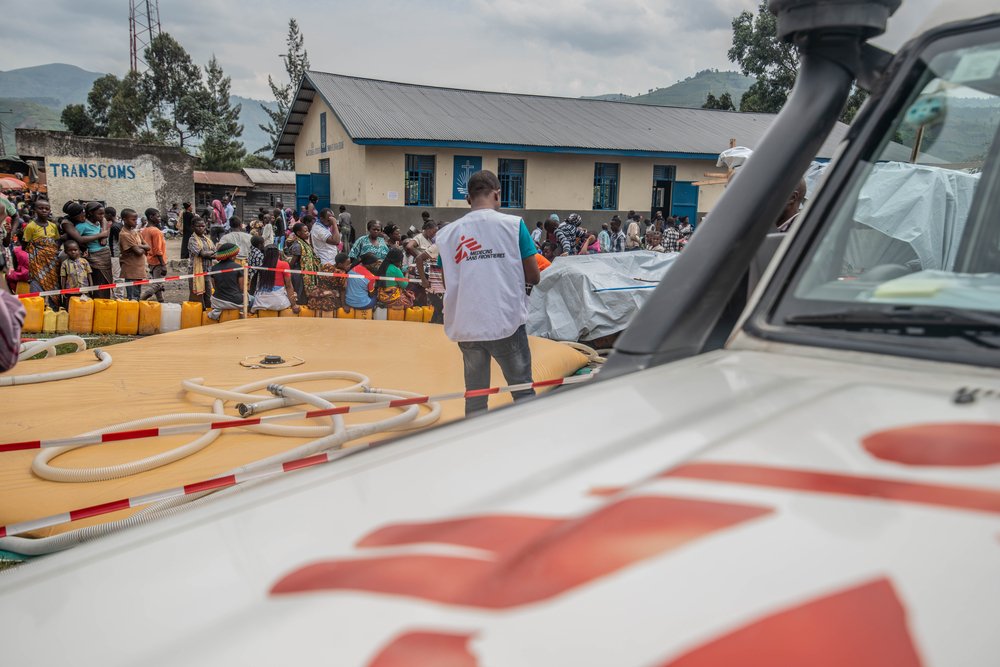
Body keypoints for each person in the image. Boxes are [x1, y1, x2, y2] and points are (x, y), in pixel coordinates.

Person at [434, 170, 540, 416]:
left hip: (467, 325)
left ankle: (474, 445)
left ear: (468, 199)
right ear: (497, 195)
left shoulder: (448, 234)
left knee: (476, 396)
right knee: (522, 391)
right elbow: (533, 275)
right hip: (505, 320)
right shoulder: (513, 226)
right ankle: (532, 443)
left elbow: (445, 278)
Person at [62, 201, 113, 299]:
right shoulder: (78, 225)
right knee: (98, 282)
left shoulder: (98, 222)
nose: (102, 216)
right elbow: (78, 240)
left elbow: (104, 221)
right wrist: (84, 248)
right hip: (94, 257)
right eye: (99, 213)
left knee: (106, 282)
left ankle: (106, 303)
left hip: (105, 256)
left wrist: (104, 235)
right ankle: (99, 305)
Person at [23, 199, 61, 306]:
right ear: (35, 210)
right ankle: (37, 307)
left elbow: (56, 242)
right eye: (41, 208)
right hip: (36, 261)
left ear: (50, 210)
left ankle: (53, 307)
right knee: (37, 282)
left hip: (52, 261)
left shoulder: (53, 226)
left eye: (46, 208)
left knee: (54, 282)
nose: (44, 210)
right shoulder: (30, 226)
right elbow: (25, 244)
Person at [252, 245, 299, 314]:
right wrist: (294, 305)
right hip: (279, 303)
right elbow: (289, 286)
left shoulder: (261, 265)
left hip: (260, 302)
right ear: (278, 253)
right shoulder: (284, 265)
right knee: (293, 294)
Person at [207, 243, 247, 320]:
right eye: (235, 255)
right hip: (235, 301)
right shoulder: (238, 267)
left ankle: (217, 312)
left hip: (217, 301)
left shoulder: (214, 268)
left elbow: (214, 286)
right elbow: (242, 288)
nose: (236, 256)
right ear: (232, 256)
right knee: (251, 299)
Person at [285, 221, 320, 304]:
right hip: (299, 274)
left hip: (305, 273)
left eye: (308, 230)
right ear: (298, 233)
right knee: (300, 293)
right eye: (305, 231)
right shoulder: (298, 246)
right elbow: (293, 262)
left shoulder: (304, 243)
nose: (307, 233)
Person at [118, 208, 149, 300]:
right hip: (131, 270)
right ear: (124, 220)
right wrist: (142, 247)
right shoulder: (124, 234)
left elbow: (148, 247)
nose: (136, 222)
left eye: (136, 219)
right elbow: (139, 252)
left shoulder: (135, 232)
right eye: (133, 220)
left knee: (137, 296)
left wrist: (139, 245)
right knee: (132, 298)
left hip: (138, 270)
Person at [139, 208, 167, 301]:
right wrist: (163, 264)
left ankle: (161, 301)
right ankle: (141, 299)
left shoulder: (144, 231)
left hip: (150, 260)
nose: (160, 218)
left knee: (157, 282)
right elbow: (158, 250)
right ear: (151, 217)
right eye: (158, 216)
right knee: (157, 284)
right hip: (158, 261)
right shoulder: (156, 231)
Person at [188, 217, 216, 308]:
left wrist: (213, 254)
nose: (201, 228)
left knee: (208, 294)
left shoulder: (207, 240)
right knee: (197, 296)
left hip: (207, 270)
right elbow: (203, 254)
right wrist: (213, 254)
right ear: (193, 227)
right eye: (198, 226)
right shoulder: (192, 240)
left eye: (203, 226)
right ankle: (197, 314)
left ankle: (207, 313)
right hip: (196, 271)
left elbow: (214, 252)